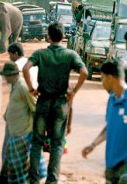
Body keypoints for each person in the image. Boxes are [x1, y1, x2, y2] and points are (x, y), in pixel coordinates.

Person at [23, 22, 88, 184]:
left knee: (37, 142)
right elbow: (84, 72)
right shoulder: (70, 55)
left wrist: (32, 88)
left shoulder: (40, 54)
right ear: (63, 36)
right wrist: (73, 92)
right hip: (60, 103)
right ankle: (52, 181)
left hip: (43, 101)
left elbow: (25, 69)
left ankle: (33, 179)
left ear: (48, 36)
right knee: (57, 144)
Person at [0, 61, 47, 184]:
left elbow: (35, 108)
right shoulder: (15, 86)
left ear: (12, 75)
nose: (4, 78)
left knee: (21, 170)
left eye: (6, 75)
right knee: (12, 164)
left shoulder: (23, 87)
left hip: (23, 133)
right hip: (15, 133)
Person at [82, 60, 127, 184]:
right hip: (111, 163)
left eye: (102, 78)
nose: (102, 82)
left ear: (111, 78)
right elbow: (110, 127)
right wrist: (93, 144)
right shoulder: (112, 100)